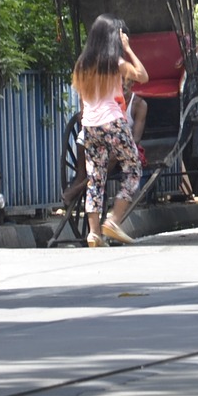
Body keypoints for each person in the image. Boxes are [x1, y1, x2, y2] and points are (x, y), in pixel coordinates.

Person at [71, 16, 147, 248]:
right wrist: (128, 49)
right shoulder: (114, 61)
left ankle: (94, 233)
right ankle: (113, 220)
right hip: (113, 122)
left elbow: (83, 99)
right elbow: (143, 76)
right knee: (133, 169)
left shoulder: (82, 64)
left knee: (95, 178)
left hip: (90, 125)